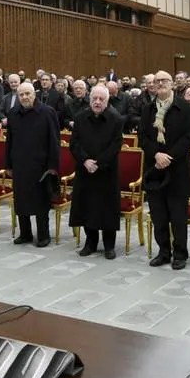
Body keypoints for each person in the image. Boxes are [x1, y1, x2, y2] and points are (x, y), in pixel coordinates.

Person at [139, 70, 190, 270]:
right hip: (154, 169)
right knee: (159, 215)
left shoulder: (185, 108)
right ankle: (163, 252)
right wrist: (156, 155)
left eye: (164, 80)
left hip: (177, 169)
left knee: (178, 216)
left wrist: (168, 156)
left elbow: (189, 138)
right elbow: (143, 137)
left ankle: (180, 253)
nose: (160, 83)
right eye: (157, 81)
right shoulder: (147, 109)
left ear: (172, 83)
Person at [69, 85, 124, 259]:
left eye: (101, 99)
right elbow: (74, 144)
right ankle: (90, 243)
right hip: (85, 170)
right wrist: (85, 160)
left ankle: (109, 246)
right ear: (89, 99)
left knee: (107, 209)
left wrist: (98, 163)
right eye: (95, 99)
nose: (97, 102)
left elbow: (116, 145)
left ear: (107, 101)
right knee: (87, 207)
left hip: (106, 171)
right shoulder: (80, 118)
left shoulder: (116, 119)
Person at [6, 82, 61, 247]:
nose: (24, 97)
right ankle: (25, 233)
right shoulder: (13, 113)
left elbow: (54, 141)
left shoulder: (47, 112)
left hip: (41, 166)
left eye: (27, 94)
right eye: (21, 94)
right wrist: (8, 164)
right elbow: (9, 141)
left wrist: (53, 166)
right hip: (20, 165)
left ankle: (44, 235)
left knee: (40, 202)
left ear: (34, 94)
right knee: (21, 201)